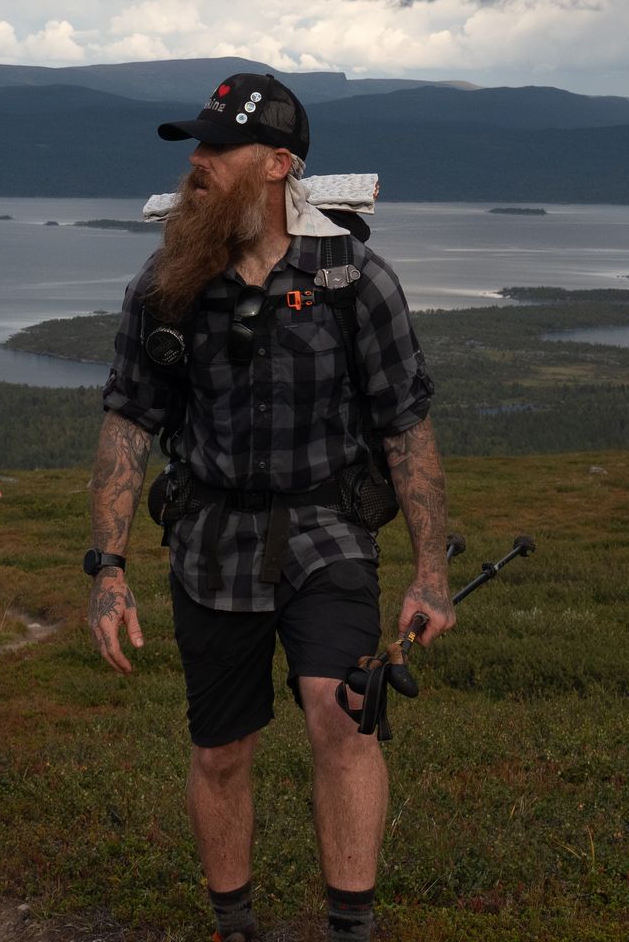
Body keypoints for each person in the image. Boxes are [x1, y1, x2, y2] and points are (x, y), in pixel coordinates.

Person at [82, 72, 455, 942]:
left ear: (279, 165)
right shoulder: (167, 282)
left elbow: (407, 428)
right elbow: (130, 423)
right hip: (211, 537)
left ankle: (350, 928)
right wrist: (107, 570)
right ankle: (233, 925)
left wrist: (431, 573)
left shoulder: (355, 280)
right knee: (221, 749)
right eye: (195, 149)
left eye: (218, 150)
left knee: (345, 712)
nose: (198, 165)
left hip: (329, 531)